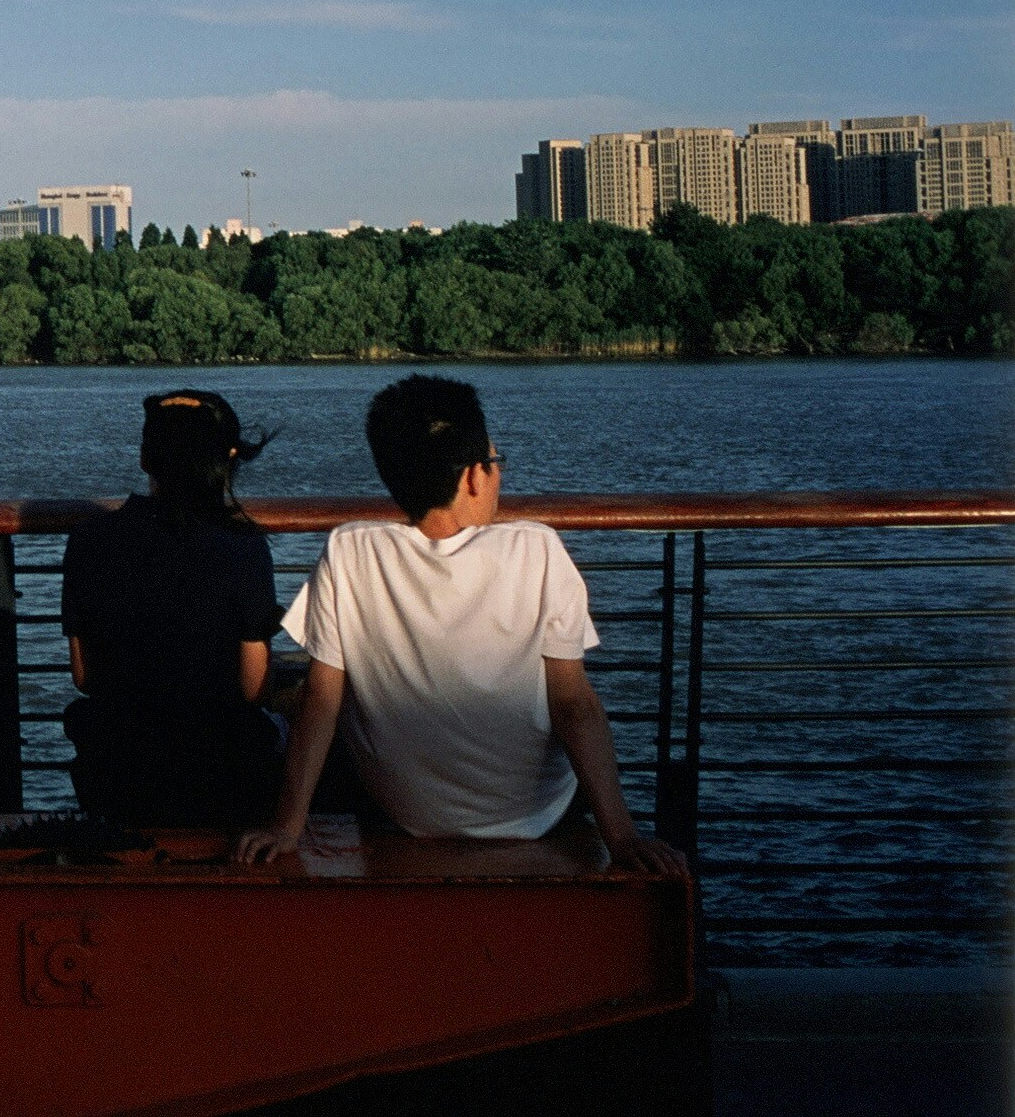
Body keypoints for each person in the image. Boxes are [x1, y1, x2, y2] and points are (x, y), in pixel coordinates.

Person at [234, 375, 688, 875]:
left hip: (408, 814)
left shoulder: (349, 550)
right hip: (536, 815)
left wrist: (286, 828)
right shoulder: (536, 550)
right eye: (495, 464)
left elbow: (322, 700)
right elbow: (573, 706)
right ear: (474, 476)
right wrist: (622, 838)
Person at [58, 389, 285, 826]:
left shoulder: (88, 541)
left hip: (117, 777)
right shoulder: (245, 549)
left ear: (145, 458)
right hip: (222, 780)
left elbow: (85, 678)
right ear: (228, 458)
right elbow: (254, 689)